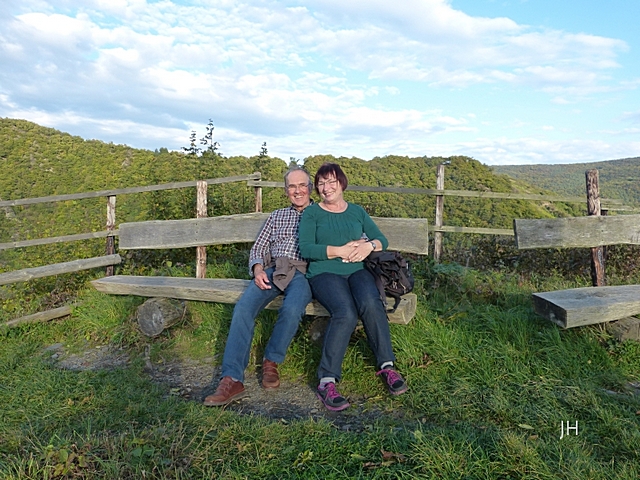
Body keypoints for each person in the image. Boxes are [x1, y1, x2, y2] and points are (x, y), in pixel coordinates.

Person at [298, 162, 407, 412]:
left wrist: (369, 246)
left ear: (342, 183)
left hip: (357, 271)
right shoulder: (312, 214)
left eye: (331, 181)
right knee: (345, 312)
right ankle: (327, 381)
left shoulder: (357, 211)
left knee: (371, 303)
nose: (326, 188)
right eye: (321, 183)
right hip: (324, 273)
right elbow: (306, 248)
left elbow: (382, 239)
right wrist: (340, 251)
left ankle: (387, 366)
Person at [204, 167, 313, 406]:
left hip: (303, 272)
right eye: (292, 186)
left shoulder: (320, 214)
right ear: (286, 191)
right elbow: (259, 247)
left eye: (302, 185)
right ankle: (232, 378)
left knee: (292, 308)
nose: (297, 191)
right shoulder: (276, 216)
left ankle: (271, 360)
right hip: (274, 269)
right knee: (244, 307)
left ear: (310, 188)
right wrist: (257, 269)